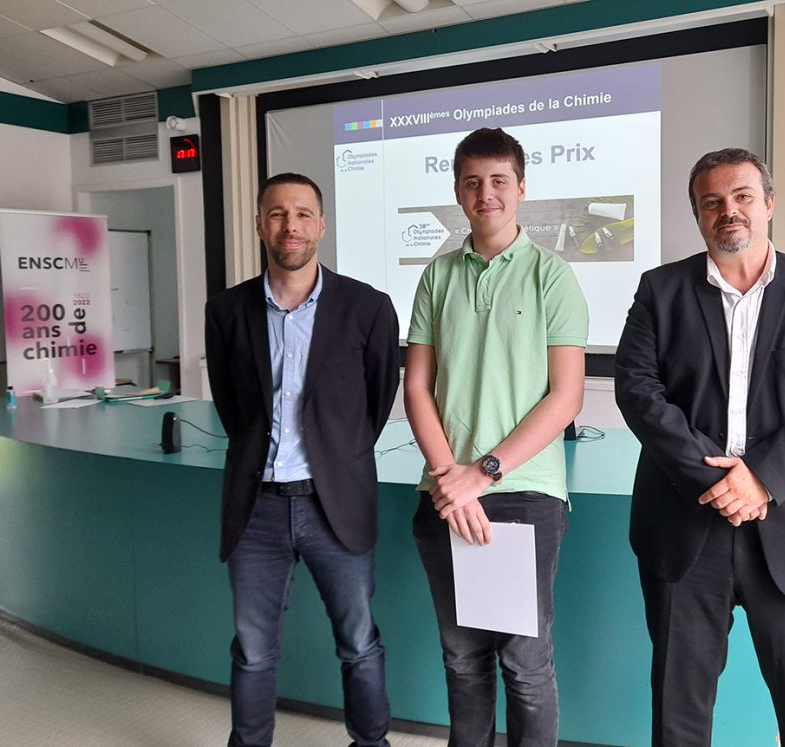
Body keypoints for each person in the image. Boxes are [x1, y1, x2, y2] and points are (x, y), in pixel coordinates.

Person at [614, 148, 785, 747]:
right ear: (697, 214)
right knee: (678, 715)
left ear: (768, 204)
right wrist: (716, 480)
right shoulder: (660, 290)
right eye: (711, 202)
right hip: (685, 527)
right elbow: (637, 389)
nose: (728, 211)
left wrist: (761, 477)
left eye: (741, 196)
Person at [404, 127, 588, 746]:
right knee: (462, 661)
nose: (487, 194)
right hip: (444, 494)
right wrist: (449, 481)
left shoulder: (551, 275)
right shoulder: (436, 276)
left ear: (522, 189)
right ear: (458, 192)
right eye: (473, 182)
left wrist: (479, 474)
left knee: (524, 665)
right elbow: (417, 388)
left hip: (524, 493)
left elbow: (566, 397)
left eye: (499, 181)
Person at [205, 172, 400, 747]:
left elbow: (377, 400)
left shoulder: (368, 307)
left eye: (302, 214)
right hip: (256, 510)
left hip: (334, 506)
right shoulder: (226, 311)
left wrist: (335, 459)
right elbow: (233, 407)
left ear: (321, 225)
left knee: (359, 642)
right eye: (276, 213)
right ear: (259, 224)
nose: (289, 225)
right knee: (253, 649)